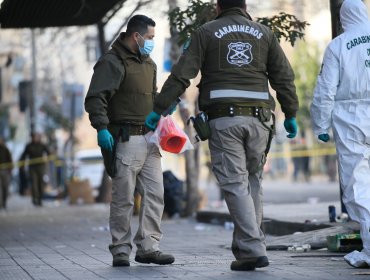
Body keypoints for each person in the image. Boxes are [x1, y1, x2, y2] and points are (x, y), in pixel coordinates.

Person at [145, 0, 298, 271]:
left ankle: (252, 248)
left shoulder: (206, 32)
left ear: (218, 7)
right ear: (244, 6)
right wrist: (292, 112)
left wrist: (160, 108)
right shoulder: (265, 33)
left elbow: (183, 75)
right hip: (261, 120)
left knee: (235, 183)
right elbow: (283, 77)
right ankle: (247, 249)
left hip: (225, 120)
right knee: (252, 181)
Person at [84, 15, 175, 267]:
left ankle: (149, 247)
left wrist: (164, 107)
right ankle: (121, 249)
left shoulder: (150, 64)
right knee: (123, 198)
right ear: (136, 36)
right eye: (150, 38)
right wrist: (102, 128)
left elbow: (152, 96)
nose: (152, 43)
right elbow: (95, 98)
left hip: (150, 140)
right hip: (125, 139)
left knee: (156, 195)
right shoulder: (112, 62)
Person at [310, 0, 370, 268]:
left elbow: (325, 89)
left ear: (343, 16)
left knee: (358, 186)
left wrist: (321, 125)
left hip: (351, 119)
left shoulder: (339, 45)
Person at [20, 132, 50, 207]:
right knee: (34, 183)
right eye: (33, 137)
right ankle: (34, 199)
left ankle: (40, 199)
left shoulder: (42, 145)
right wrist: (22, 166)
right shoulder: (29, 146)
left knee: (40, 183)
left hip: (41, 166)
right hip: (32, 167)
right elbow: (24, 156)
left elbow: (49, 153)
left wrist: (48, 159)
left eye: (36, 137)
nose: (35, 138)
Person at [0, 137, 13, 209]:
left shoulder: (5, 149)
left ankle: (4, 202)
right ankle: (0, 203)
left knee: (5, 187)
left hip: (5, 170)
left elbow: (10, 159)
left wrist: (10, 169)